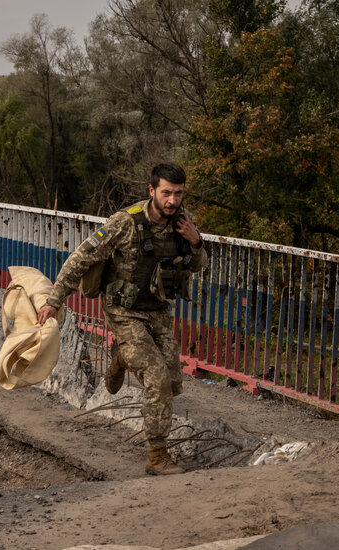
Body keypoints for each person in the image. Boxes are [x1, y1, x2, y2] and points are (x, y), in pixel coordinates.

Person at [37, 162, 208, 476]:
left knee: (172, 382)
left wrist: (196, 242)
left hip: (158, 310)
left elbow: (197, 266)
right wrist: (53, 301)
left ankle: (121, 358)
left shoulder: (183, 222)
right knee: (156, 377)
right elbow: (80, 259)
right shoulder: (125, 222)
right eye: (166, 193)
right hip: (123, 310)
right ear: (152, 190)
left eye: (178, 193)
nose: (172, 200)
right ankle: (157, 456)